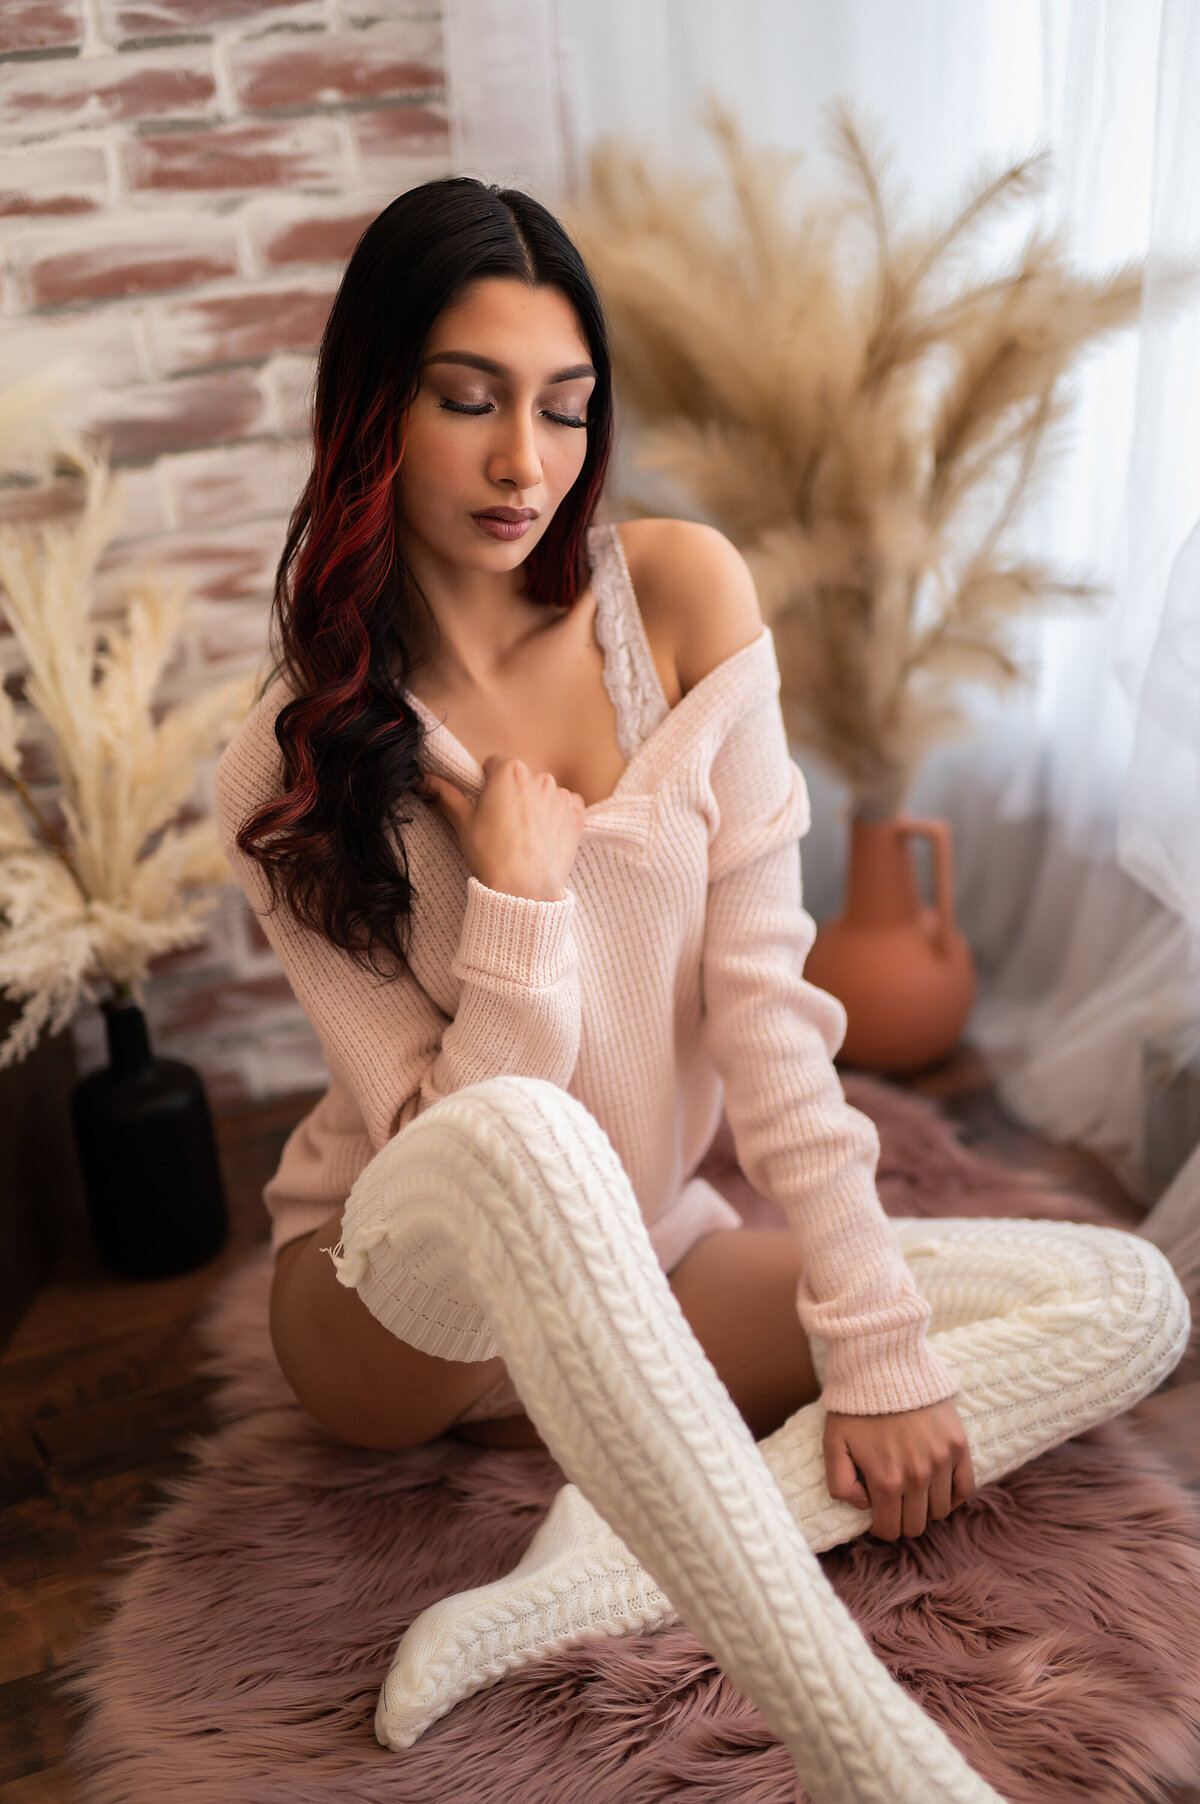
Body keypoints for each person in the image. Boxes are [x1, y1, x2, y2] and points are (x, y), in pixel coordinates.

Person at [214, 177, 1190, 1801]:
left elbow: (770, 1006)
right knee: (524, 1142)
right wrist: (518, 910)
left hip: (636, 1261)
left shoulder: (673, 605)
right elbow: (456, 1136)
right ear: (372, 406)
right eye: (469, 401)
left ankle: (577, 1583)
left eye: (567, 409)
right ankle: (882, 1761)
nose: (529, 462)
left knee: (1124, 1303)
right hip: (401, 1298)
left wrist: (873, 1341)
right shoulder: (292, 760)